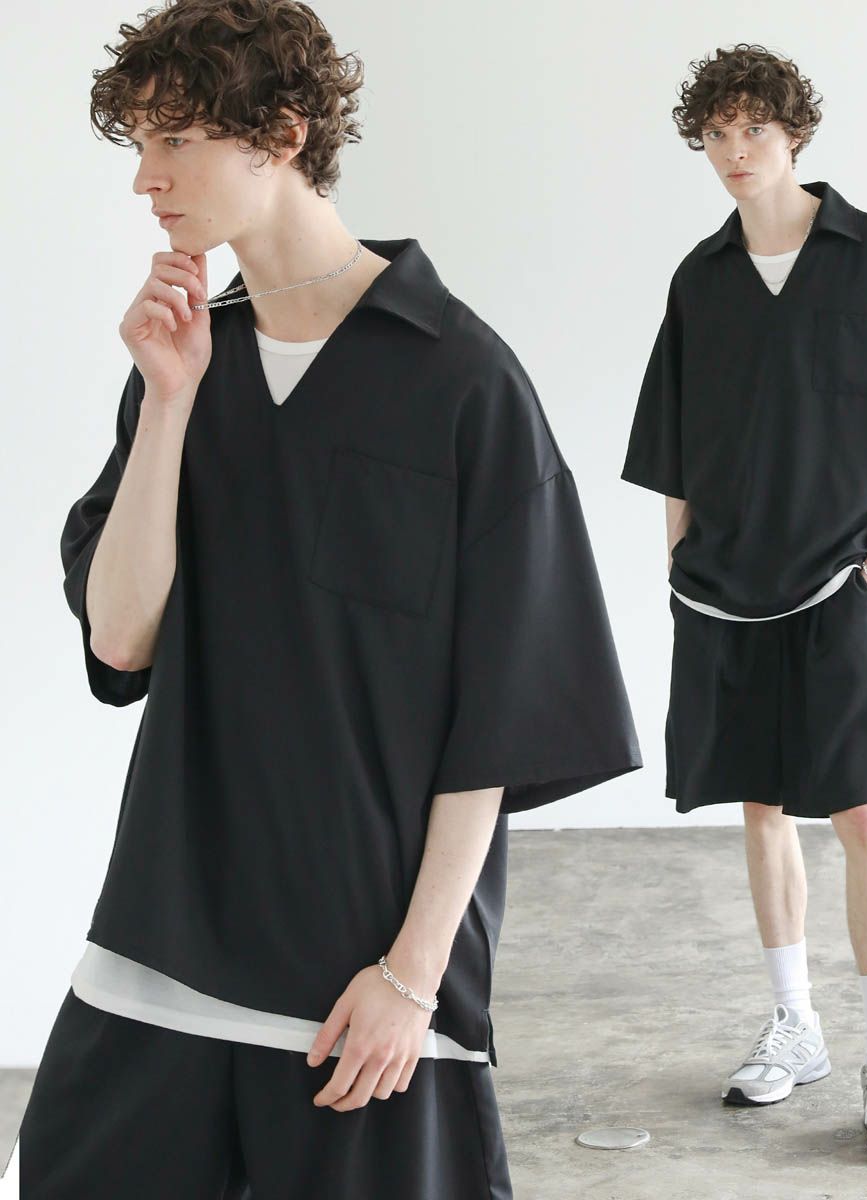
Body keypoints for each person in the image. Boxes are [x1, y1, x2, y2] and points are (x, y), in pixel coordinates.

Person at [15, 2, 642, 1195]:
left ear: (284, 132)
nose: (146, 180)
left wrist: (413, 977)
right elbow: (121, 636)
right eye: (139, 147)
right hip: (161, 945)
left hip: (360, 988)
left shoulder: (463, 383)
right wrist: (168, 404)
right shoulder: (184, 364)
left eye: (176, 140)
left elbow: (500, 720)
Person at [621, 43, 867, 1157]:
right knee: (761, 805)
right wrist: (678, 564)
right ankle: (795, 1025)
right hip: (722, 590)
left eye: (754, 131)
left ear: (794, 134)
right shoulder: (700, 279)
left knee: (861, 812)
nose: (735, 153)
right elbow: (672, 443)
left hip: (838, 583)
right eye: (716, 135)